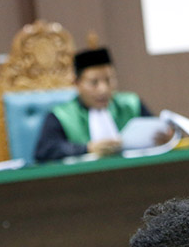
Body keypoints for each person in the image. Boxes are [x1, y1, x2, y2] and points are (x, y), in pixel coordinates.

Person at [34, 47, 170, 162]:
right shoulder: (61, 115)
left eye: (109, 80)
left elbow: (154, 131)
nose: (103, 89)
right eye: (94, 83)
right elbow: (45, 151)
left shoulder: (131, 104)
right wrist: (88, 148)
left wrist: (166, 138)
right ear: (76, 83)